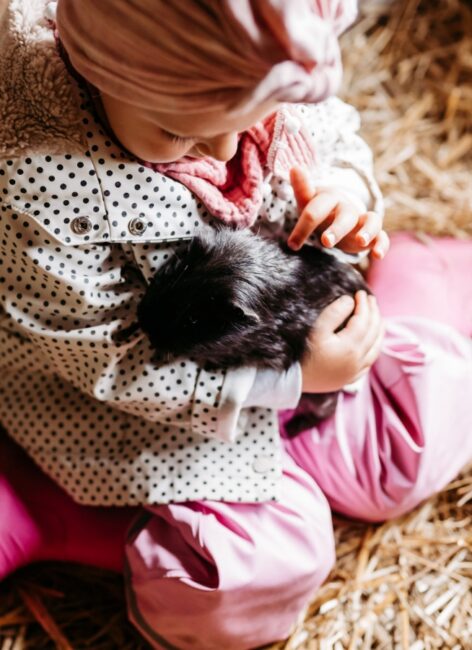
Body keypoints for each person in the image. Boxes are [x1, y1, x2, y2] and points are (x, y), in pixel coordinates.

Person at [0, 1, 471, 648]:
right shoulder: (40, 181)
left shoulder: (264, 75)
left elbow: (336, 136)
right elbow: (106, 360)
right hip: (143, 405)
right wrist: (293, 379)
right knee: (253, 575)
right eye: (175, 133)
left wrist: (346, 198)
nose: (224, 150)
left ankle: (325, 416)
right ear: (91, 65)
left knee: (426, 413)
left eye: (253, 122)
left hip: (289, 325)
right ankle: (61, 511)